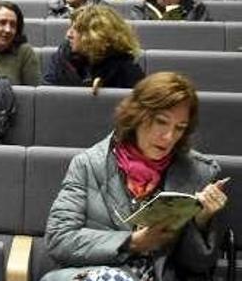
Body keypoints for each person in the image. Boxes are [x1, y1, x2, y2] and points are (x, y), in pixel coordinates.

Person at [42, 72, 228, 281]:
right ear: (137, 115)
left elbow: (199, 265)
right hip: (95, 273)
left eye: (179, 128)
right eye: (161, 122)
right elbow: (60, 239)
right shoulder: (88, 165)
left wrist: (201, 221)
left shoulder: (198, 172)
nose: (169, 137)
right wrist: (132, 242)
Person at [44, 5, 144, 89]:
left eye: (77, 30)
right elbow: (48, 97)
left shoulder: (127, 70)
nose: (68, 34)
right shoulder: (62, 58)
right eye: (70, 28)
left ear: (96, 36)